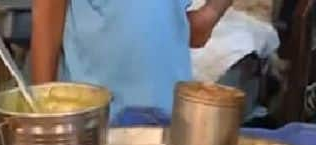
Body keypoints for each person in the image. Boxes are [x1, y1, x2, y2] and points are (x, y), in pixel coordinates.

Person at [31, 0, 234, 117]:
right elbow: (47, 17)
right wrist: (41, 116)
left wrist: (211, 13)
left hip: (172, 117)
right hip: (95, 123)